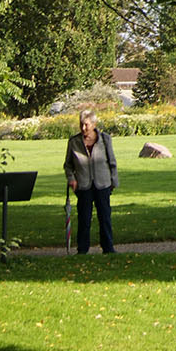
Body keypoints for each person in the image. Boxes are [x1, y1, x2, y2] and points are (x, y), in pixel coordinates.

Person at [64, 107, 118, 254]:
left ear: (94, 124)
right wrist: (71, 179)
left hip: (103, 184)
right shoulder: (74, 142)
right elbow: (68, 165)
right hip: (83, 185)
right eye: (81, 124)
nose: (83, 128)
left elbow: (112, 162)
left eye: (86, 125)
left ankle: (108, 248)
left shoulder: (105, 140)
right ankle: (82, 250)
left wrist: (113, 182)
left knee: (105, 217)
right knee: (84, 219)